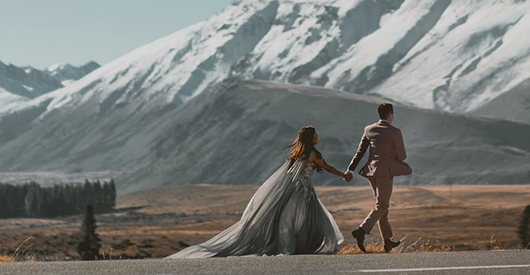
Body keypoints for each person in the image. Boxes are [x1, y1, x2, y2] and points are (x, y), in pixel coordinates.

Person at [168, 126, 352, 258]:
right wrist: (344, 175)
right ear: (311, 137)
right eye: (316, 135)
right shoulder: (313, 154)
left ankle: (294, 246)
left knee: (290, 220)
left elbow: (290, 173)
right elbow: (327, 167)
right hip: (304, 194)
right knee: (310, 220)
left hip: (294, 192)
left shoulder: (297, 154)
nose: (318, 137)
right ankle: (300, 246)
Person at [347, 102, 411, 253]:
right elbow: (402, 156)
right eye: (393, 114)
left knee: (382, 206)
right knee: (382, 206)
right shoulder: (395, 132)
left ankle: (387, 241)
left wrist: (350, 169)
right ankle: (361, 231)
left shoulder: (369, 129)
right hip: (385, 173)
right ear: (390, 114)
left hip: (371, 172)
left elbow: (360, 152)